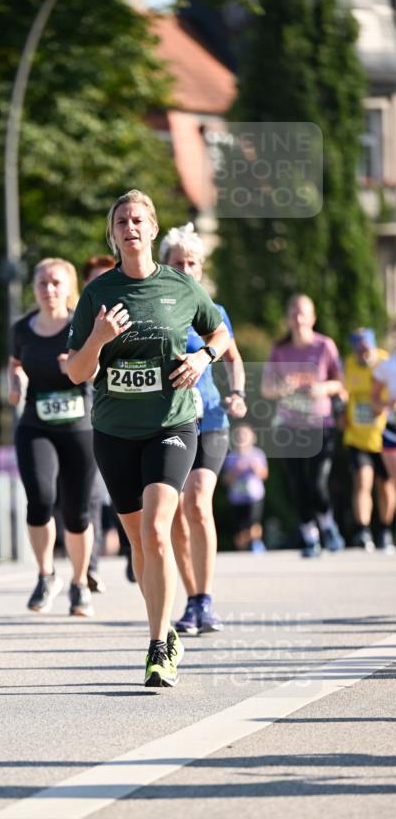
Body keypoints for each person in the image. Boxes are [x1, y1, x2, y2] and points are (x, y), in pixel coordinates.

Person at [67, 189, 230, 687]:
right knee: (139, 542)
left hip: (172, 424)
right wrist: (97, 338)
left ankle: (158, 644)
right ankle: (166, 629)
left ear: (153, 229)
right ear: (112, 235)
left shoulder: (181, 287)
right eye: (121, 222)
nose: (130, 228)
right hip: (115, 431)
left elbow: (220, 332)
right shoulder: (98, 294)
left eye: (138, 220)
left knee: (159, 530)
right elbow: (77, 372)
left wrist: (203, 357)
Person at [160, 223, 247, 634]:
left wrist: (239, 393)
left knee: (196, 502)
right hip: (169, 420)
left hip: (211, 418)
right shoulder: (157, 312)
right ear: (165, 266)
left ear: (200, 267)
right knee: (175, 512)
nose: (185, 268)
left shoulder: (214, 312)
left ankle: (206, 599)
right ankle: (192, 599)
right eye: (178, 262)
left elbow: (233, 357)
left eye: (192, 262)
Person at [9, 257, 97, 616]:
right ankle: (46, 574)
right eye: (42, 283)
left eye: (56, 283)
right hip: (36, 423)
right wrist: (14, 382)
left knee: (76, 511)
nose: (49, 290)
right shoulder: (22, 329)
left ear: (70, 288)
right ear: (34, 287)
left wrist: (75, 369)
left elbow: (100, 368)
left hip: (79, 426)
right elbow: (14, 363)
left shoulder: (83, 323)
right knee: (40, 499)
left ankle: (79, 584)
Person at [261, 294, 345, 557]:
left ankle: (328, 525)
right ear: (287, 318)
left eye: (303, 313)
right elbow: (266, 389)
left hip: (320, 424)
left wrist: (323, 388)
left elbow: (340, 383)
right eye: (293, 314)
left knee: (317, 483)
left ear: (312, 317)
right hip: (289, 425)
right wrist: (280, 388)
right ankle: (310, 536)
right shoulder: (280, 349)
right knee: (297, 484)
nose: (298, 319)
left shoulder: (324, 346)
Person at [81, 254, 118, 595]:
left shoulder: (134, 311)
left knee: (131, 490)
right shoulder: (75, 319)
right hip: (84, 420)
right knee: (90, 496)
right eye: (95, 281)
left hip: (128, 418)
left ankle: (138, 553)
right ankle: (89, 568)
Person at [343, 328, 394, 551]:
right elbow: (346, 394)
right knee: (363, 481)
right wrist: (342, 415)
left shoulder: (385, 363)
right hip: (356, 435)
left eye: (366, 348)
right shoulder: (349, 364)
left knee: (386, 486)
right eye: (358, 348)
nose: (362, 352)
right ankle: (363, 531)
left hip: (383, 435)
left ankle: (384, 529)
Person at [223, 423, 269, 552]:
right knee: (240, 527)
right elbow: (225, 480)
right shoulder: (231, 456)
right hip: (237, 497)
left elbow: (264, 474)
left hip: (255, 495)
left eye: (245, 434)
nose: (242, 437)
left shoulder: (258, 454)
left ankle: (256, 544)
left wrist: (256, 468)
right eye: (239, 434)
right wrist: (236, 470)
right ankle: (242, 550)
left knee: (254, 523)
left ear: (252, 437)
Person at [371, 327, 396, 552]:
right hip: (391, 432)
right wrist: (388, 405)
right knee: (391, 483)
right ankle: (386, 531)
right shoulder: (387, 366)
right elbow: (374, 402)